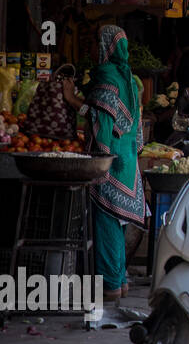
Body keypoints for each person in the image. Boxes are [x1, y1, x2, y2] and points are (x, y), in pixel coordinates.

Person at [61, 26, 146, 301]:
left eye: (97, 42)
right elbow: (135, 125)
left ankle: (109, 285)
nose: (93, 47)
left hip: (111, 160)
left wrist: (72, 100)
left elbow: (100, 119)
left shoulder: (108, 77)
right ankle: (120, 282)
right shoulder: (129, 79)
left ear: (106, 46)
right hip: (128, 159)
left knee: (106, 221)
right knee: (117, 223)